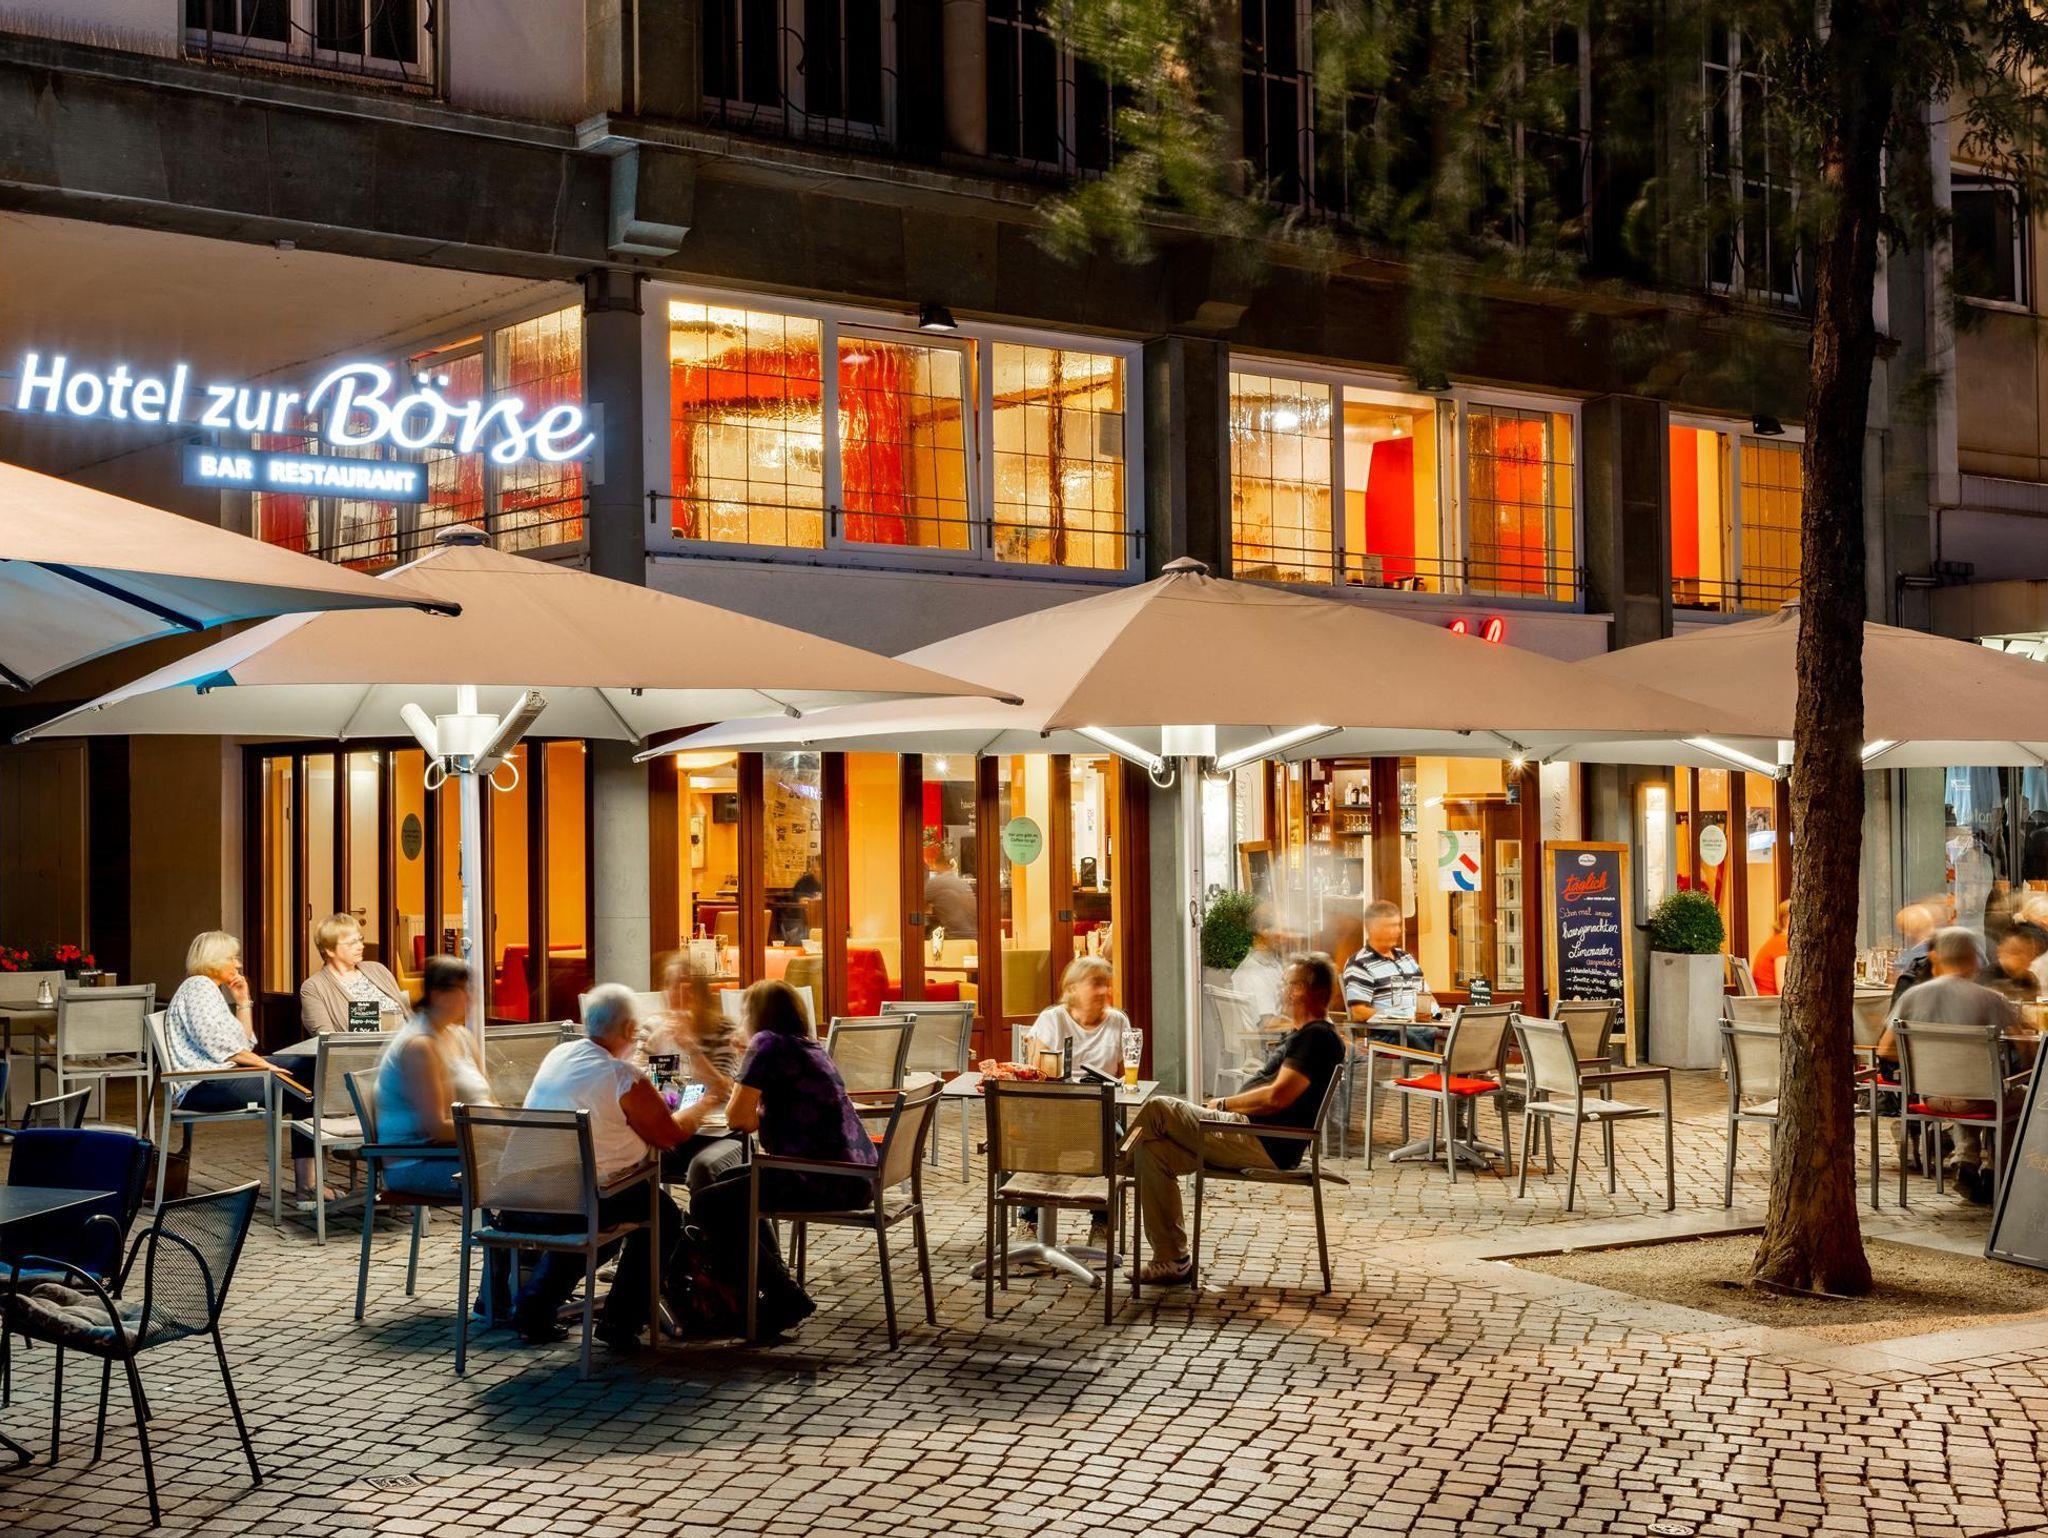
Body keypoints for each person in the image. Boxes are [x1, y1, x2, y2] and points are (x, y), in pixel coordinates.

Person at [1121, 953, 1348, 1286]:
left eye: (1286, 983)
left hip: (1260, 1139)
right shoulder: (1306, 1034)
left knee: (1159, 1109)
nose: (1281, 989)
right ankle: (1172, 1260)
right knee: (1151, 1153)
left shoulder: (1316, 1037)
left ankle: (1109, 1165)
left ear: (1301, 990)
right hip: (1251, 1135)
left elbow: (1277, 1097)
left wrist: (1224, 1104)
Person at [504, 985, 696, 1349]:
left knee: (611, 1217)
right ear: (628, 1030)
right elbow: (669, 1135)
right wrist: (703, 1105)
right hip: (573, 1202)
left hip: (520, 1198)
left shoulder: (560, 1054)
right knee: (662, 1214)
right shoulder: (623, 1076)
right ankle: (621, 1323)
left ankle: (533, 1310)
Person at [689, 980, 877, 1337]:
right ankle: (770, 1292)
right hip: (852, 1174)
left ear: (758, 1015)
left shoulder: (767, 1044)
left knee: (707, 1204)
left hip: (819, 1177)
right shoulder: (807, 1045)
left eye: (745, 1012)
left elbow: (736, 1119)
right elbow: (752, 1119)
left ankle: (779, 1294)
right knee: (729, 1185)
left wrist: (747, 1063)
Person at [162, 930, 326, 1201]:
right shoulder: (199, 988)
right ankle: (308, 1185)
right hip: (203, 1085)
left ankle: (308, 1185)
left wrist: (242, 1001)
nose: (237, 964)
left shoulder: (209, 989)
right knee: (307, 1080)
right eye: (232, 958)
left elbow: (243, 1042)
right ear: (214, 959)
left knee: (309, 1069)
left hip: (219, 1077)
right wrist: (265, 1066)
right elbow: (221, 1046)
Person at [1882, 927, 2025, 1205]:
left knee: (1971, 1087)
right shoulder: (1992, 999)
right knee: (2020, 1097)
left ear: (1938, 958)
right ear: (1974, 959)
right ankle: (1995, 1171)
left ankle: (1966, 1158)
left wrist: (1925, 1062)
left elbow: (1886, 1049)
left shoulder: (1911, 996)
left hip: (1931, 1095)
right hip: (1979, 1097)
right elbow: (2025, 1048)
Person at [373, 955, 493, 1201]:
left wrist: (511, 1130)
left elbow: (488, 1100)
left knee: (538, 1166)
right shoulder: (419, 1047)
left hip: (464, 1151)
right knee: (523, 1177)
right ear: (438, 995)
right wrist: (496, 1131)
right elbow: (436, 1129)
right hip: (418, 1162)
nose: (471, 998)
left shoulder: (461, 1036)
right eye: (464, 989)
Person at [1343, 899, 1440, 1048]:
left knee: (1465, 1030)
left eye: (1398, 925)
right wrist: (1400, 1017)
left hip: (1423, 1027)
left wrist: (1437, 1014)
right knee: (1438, 1038)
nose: (1399, 931)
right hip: (1391, 1035)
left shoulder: (1406, 958)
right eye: (1391, 926)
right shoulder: (1359, 963)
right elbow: (1359, 1013)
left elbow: (1427, 997)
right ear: (1371, 928)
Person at [298, 913, 408, 1035]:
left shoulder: (378, 969)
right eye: (351, 943)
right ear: (329, 950)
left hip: (410, 1042)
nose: (361, 946)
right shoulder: (314, 988)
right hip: (369, 1047)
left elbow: (407, 1014)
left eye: (360, 940)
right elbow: (327, 1039)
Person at [1022, 956, 1131, 1076]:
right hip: (1060, 1088)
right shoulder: (1052, 1020)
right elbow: (1037, 1076)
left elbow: (1126, 1078)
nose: (1103, 991)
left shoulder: (1118, 1021)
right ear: (1072, 988)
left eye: (1106, 984)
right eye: (1096, 984)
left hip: (1105, 1088)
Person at [1229, 904, 1287, 1022]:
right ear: (1262, 930)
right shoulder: (1253, 974)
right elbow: (1268, 1024)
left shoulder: (1272, 964)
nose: (1285, 936)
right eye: (1280, 929)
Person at [1983, 922, 2048, 1004]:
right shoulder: (1988, 978)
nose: (2022, 958)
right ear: (2000, 951)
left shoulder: (2028, 978)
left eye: (2028, 953)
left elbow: (2037, 1001)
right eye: (2016, 952)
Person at [923, 844, 977, 937]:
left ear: (930, 861)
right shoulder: (960, 882)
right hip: (972, 933)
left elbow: (919, 908)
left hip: (955, 935)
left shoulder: (935, 883)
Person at [1752, 900, 1791, 995]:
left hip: (1762, 999)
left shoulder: (1777, 940)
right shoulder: (1783, 943)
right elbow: (1782, 988)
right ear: (1788, 919)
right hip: (1770, 1001)